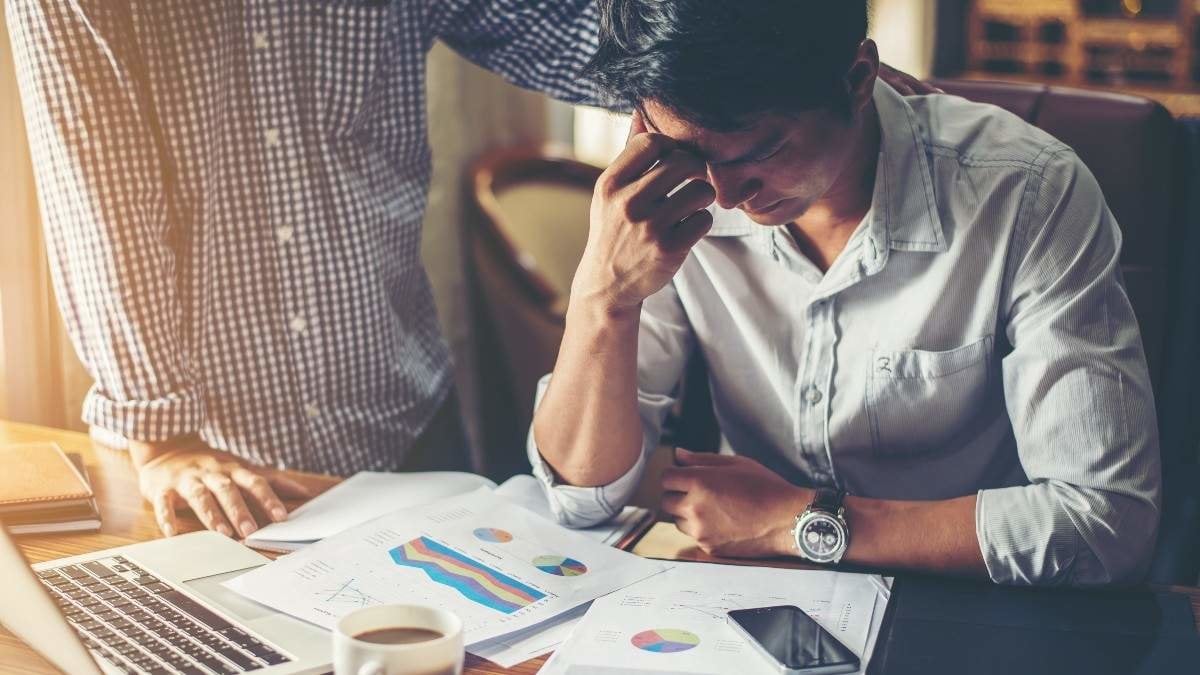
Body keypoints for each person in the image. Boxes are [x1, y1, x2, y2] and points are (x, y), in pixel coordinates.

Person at [7, 0, 930, 541]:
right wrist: (161, 429)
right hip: (211, 451)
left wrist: (775, 76)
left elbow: (547, 27)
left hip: (405, 396)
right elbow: (96, 179)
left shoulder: (1007, 186)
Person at [530, 0, 1161, 585]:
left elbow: (1104, 524)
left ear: (858, 79)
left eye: (764, 149)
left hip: (968, 604)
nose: (723, 196)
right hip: (743, 596)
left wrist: (798, 521)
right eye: (687, 150)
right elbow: (581, 496)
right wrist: (601, 295)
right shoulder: (672, 199)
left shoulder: (1027, 191)